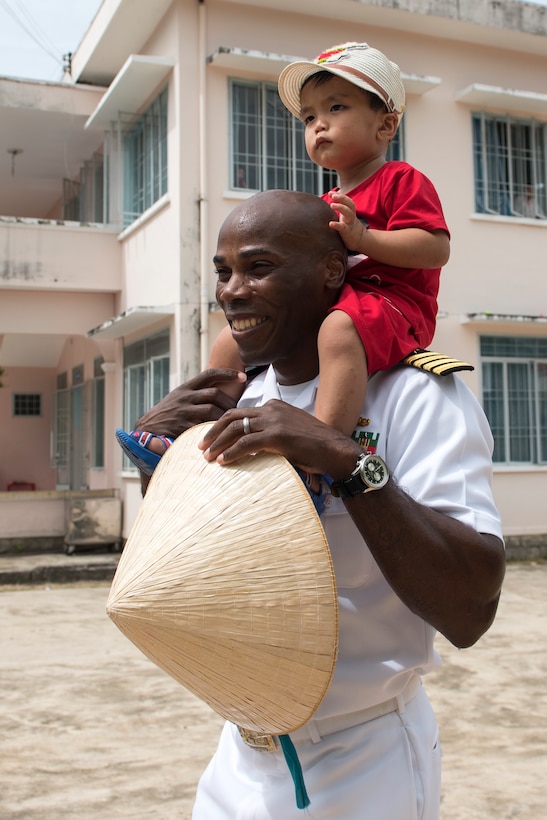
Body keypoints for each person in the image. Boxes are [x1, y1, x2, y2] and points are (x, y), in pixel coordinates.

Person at [135, 189, 505, 819]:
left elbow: (471, 607)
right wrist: (158, 460)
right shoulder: (235, 397)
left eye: (259, 267)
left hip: (361, 754)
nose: (231, 290)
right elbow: (201, 566)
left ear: (330, 272)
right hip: (239, 750)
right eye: (223, 272)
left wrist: (345, 461)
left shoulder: (416, 396)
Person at [116, 42, 450, 486]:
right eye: (309, 117)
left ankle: (320, 454)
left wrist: (364, 238)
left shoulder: (402, 181)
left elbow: (434, 247)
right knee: (230, 338)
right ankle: (196, 436)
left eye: (335, 107)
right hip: (336, 303)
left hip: (391, 303)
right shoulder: (322, 203)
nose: (319, 124)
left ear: (385, 123)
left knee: (336, 329)